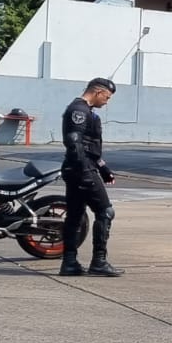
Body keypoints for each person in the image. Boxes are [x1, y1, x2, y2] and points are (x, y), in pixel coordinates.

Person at [60, 77, 122, 277]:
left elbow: (89, 148)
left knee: (75, 216)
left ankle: (69, 263)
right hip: (81, 170)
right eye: (107, 97)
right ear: (97, 91)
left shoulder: (85, 111)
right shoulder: (79, 110)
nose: (107, 101)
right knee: (105, 212)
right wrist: (84, 171)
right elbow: (75, 143)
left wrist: (103, 169)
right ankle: (99, 262)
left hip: (79, 168)